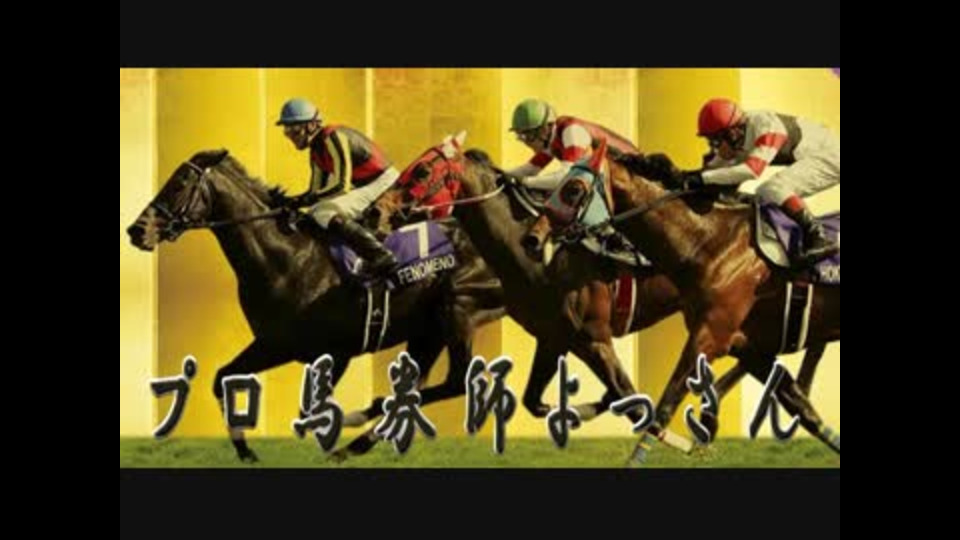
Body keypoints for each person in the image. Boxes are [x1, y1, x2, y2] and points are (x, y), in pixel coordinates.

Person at [673, 98, 840, 265]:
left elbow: (752, 171)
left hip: (831, 155)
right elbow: (712, 173)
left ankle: (819, 237)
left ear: (733, 133)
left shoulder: (766, 125)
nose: (714, 147)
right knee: (764, 194)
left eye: (716, 140)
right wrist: (682, 177)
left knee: (775, 187)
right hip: (811, 154)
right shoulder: (738, 135)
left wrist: (701, 178)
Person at [274, 97, 399, 277]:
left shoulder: (333, 137)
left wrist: (305, 200)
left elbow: (341, 185)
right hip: (367, 184)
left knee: (324, 211)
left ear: (311, 126)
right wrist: (294, 201)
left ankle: (380, 255)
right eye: (287, 131)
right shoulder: (315, 151)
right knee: (315, 211)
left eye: (294, 129)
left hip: (384, 182)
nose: (290, 136)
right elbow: (314, 191)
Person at [505, 98, 639, 192]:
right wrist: (498, 175)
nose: (527, 142)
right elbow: (529, 169)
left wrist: (526, 182)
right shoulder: (552, 137)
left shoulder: (572, 131)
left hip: (633, 175)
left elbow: (567, 178)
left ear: (546, 128)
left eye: (529, 135)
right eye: (521, 136)